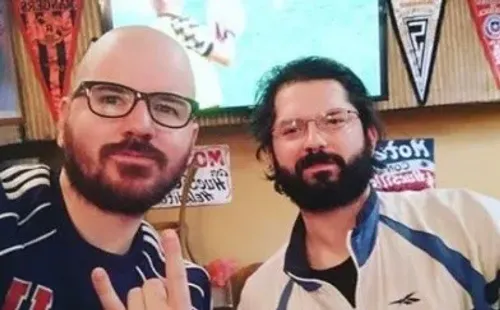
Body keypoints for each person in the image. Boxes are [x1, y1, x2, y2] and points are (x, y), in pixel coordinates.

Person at [238, 56, 500, 309]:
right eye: (292, 129)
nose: (314, 141)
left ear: (371, 137)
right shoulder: (261, 295)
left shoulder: (469, 222)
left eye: (334, 120)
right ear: (271, 157)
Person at [0, 26, 211, 309]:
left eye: (167, 108)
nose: (140, 126)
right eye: (110, 99)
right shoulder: (6, 213)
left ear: (192, 141)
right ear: (63, 121)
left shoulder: (184, 291)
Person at [148, 0, 246, 110]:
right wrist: (229, 31)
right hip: (203, 107)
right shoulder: (181, 26)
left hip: (175, 108)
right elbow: (225, 57)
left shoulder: (150, 32)